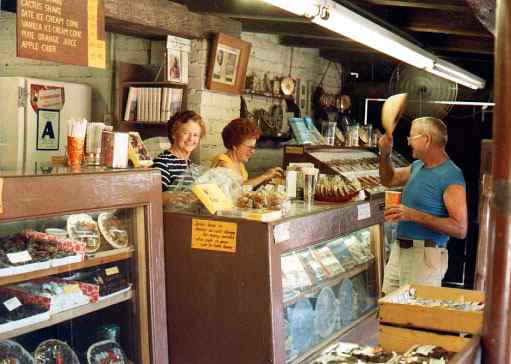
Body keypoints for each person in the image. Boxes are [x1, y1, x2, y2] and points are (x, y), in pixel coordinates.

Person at [378, 116, 467, 293]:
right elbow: (388, 179)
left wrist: (413, 215)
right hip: (400, 251)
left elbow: (460, 229)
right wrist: (385, 154)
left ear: (426, 140)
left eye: (411, 137)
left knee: (413, 317)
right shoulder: (417, 166)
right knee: (388, 312)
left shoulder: (451, 176)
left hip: (425, 257)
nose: (409, 142)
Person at [153, 110, 207, 204]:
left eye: (195, 135)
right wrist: (171, 196)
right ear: (174, 134)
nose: (191, 139)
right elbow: (153, 197)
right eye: (186, 133)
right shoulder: (163, 163)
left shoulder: (189, 163)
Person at [211, 118, 283, 188]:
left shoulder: (239, 163)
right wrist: (264, 176)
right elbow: (238, 188)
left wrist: (264, 181)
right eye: (249, 147)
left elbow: (245, 188)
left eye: (253, 147)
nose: (253, 151)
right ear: (235, 145)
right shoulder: (223, 165)